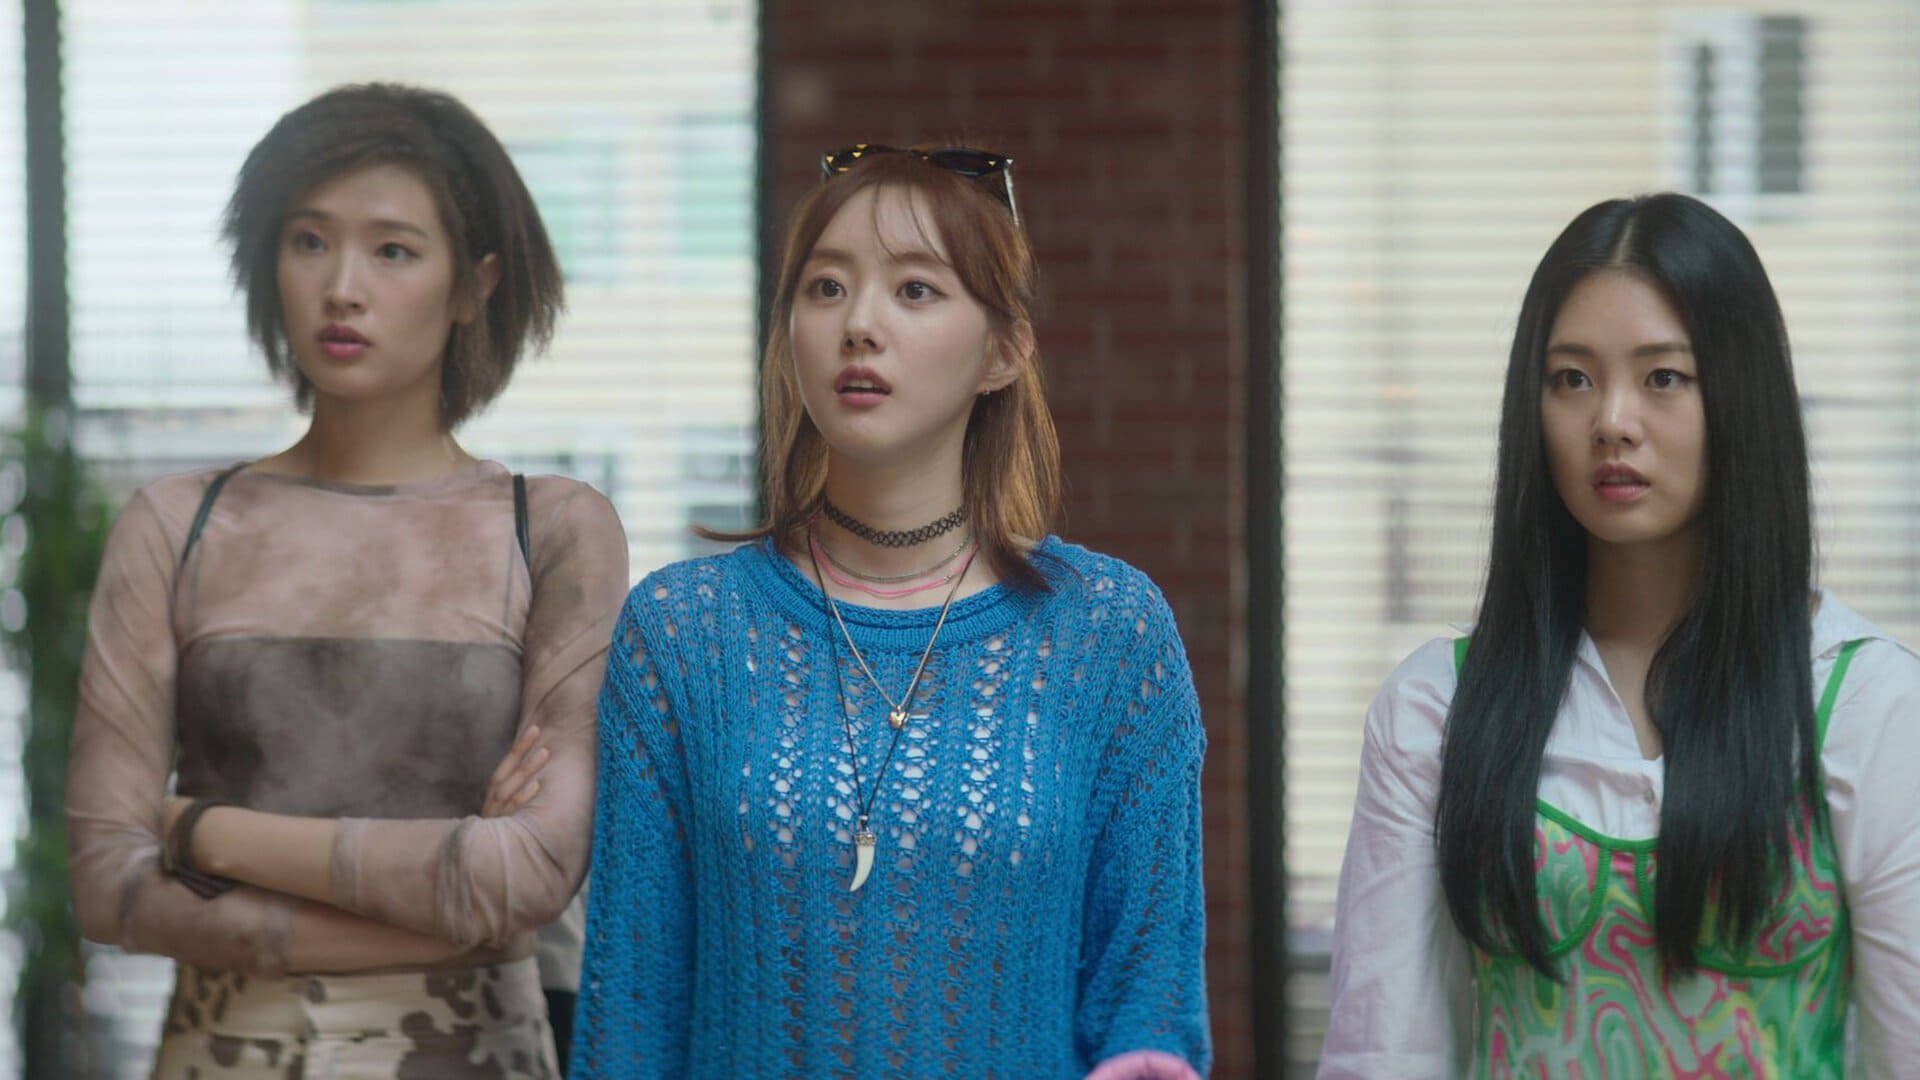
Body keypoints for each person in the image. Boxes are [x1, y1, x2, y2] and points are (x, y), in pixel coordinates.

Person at [566, 144, 1209, 1079]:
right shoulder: (682, 632)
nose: (859, 325)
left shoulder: (1108, 634)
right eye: (826, 288)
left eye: (915, 290)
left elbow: (1149, 998)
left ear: (1004, 351)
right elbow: (630, 1012)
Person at [67, 82, 628, 1078]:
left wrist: (198, 829)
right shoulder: (174, 524)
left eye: (393, 251)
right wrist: (459, 905)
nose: (342, 287)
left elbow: (531, 873)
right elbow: (107, 885)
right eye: (309, 240)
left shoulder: (553, 530)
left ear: (475, 286)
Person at [1317, 193, 1920, 1077]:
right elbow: (1384, 1055)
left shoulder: (1867, 703)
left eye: (1663, 377)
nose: (1612, 421)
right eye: (1572, 379)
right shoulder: (1435, 709)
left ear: (1742, 396)